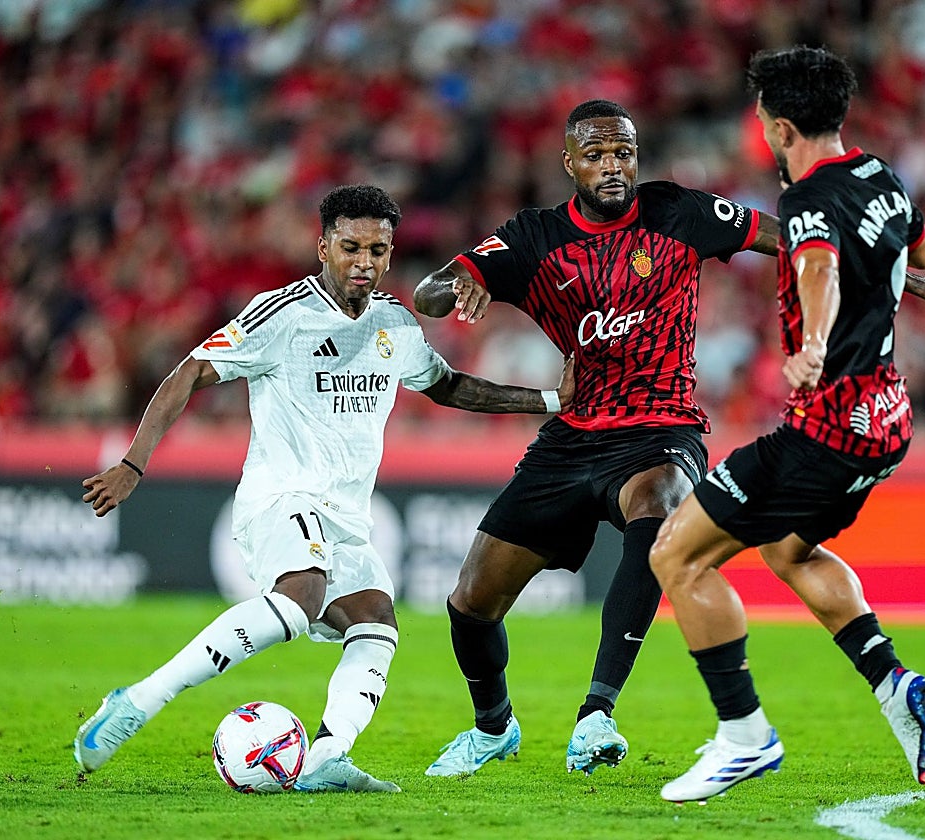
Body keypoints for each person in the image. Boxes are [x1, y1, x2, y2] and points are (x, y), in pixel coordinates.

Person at [413, 98, 925, 778]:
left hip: (663, 429)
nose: (614, 166)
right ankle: (493, 728)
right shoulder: (533, 237)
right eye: (598, 155)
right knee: (472, 600)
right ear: (569, 161)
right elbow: (430, 291)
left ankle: (596, 714)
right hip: (573, 437)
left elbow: (796, 240)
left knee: (659, 509)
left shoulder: (678, 212)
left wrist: (917, 284)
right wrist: (458, 284)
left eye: (624, 153)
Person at [72, 185, 575, 792]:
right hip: (281, 498)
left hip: (344, 516)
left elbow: (448, 387)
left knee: (376, 622)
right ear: (324, 247)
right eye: (351, 247)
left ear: (391, 254)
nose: (364, 261)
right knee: (299, 598)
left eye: (378, 249)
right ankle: (139, 701)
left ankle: (327, 756)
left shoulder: (395, 323)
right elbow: (191, 373)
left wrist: (550, 400)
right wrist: (134, 462)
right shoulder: (282, 315)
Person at [647, 45, 925, 803]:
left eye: (758, 120)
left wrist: (812, 345)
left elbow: (820, 267)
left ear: (779, 129)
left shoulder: (807, 201)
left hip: (827, 426)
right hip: (886, 420)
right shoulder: (882, 174)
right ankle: (893, 686)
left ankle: (743, 735)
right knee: (787, 549)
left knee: (676, 557)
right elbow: (918, 248)